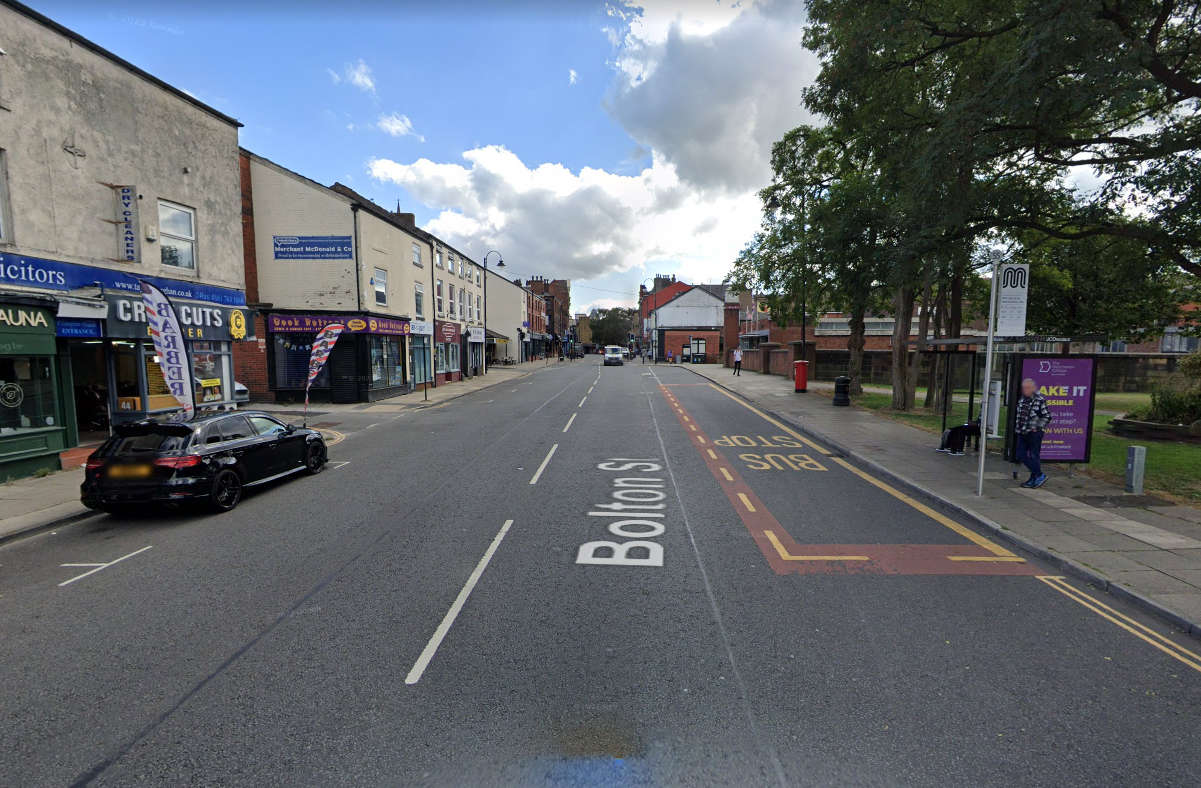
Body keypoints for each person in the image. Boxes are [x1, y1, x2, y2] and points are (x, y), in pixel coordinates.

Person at [1014, 377, 1053, 488]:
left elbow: (1047, 416)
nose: (1025, 390)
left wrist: (1037, 426)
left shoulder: (1039, 399)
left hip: (1034, 433)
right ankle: (1038, 475)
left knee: (1033, 455)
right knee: (1020, 454)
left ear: (1033, 388)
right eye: (1024, 388)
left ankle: (1035, 478)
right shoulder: (1022, 399)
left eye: (1028, 388)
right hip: (1022, 431)